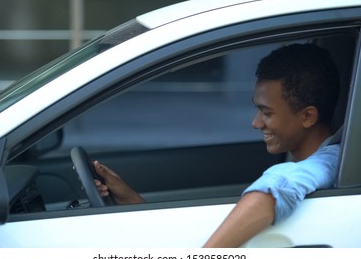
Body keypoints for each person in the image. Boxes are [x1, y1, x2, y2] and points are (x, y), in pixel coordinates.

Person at [92, 43, 341, 247]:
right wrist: (132, 201)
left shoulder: (327, 161)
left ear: (307, 116)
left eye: (266, 113)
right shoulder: (310, 156)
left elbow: (278, 185)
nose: (256, 123)